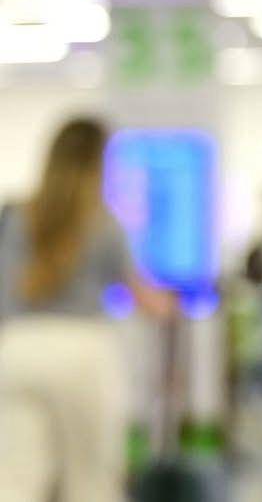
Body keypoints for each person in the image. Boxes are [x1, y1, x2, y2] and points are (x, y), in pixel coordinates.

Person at [0, 115, 177, 502]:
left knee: (15, 483)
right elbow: (146, 299)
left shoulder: (14, 216)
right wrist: (170, 303)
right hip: (81, 353)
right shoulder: (102, 223)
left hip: (16, 349)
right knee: (91, 484)